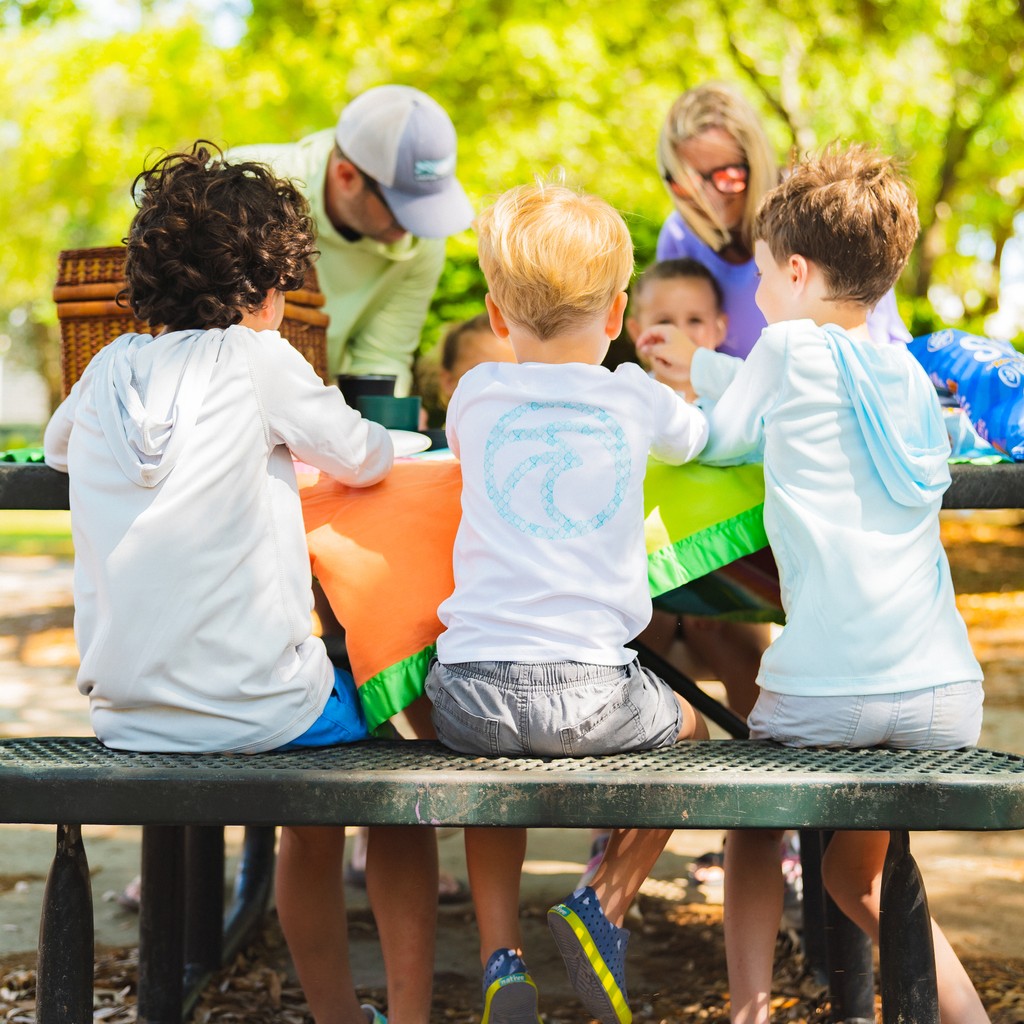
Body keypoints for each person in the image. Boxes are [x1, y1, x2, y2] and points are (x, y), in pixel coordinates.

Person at [43, 142, 437, 1024]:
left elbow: (58, 448)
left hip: (129, 715)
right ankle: (364, 1015)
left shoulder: (107, 370)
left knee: (328, 750)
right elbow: (362, 455)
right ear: (269, 290)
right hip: (263, 709)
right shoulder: (259, 362)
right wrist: (403, 445)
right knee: (404, 754)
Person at [646, 144, 988, 1024]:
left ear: (795, 273)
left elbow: (713, 440)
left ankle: (749, 1010)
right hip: (943, 697)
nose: (756, 298)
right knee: (854, 875)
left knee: (754, 824)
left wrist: (646, 398)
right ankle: (967, 1016)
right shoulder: (910, 379)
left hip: (826, 697)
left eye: (760, 277)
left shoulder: (788, 348)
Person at [423, 181, 710, 1024]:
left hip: (468, 697)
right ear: (619, 311)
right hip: (594, 694)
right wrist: (668, 381)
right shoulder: (634, 396)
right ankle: (603, 903)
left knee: (491, 778)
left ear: (497, 315)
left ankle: (499, 957)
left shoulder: (473, 395)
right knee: (693, 726)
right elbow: (696, 439)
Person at [229, 84, 475, 396]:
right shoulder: (244, 186)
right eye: (401, 207)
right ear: (346, 176)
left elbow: (381, 361)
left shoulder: (421, 239)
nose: (415, 225)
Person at [626, 258, 727, 405]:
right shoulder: (627, 401)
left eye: (695, 320)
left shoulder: (737, 400)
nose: (679, 335)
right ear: (636, 331)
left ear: (719, 328)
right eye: (664, 322)